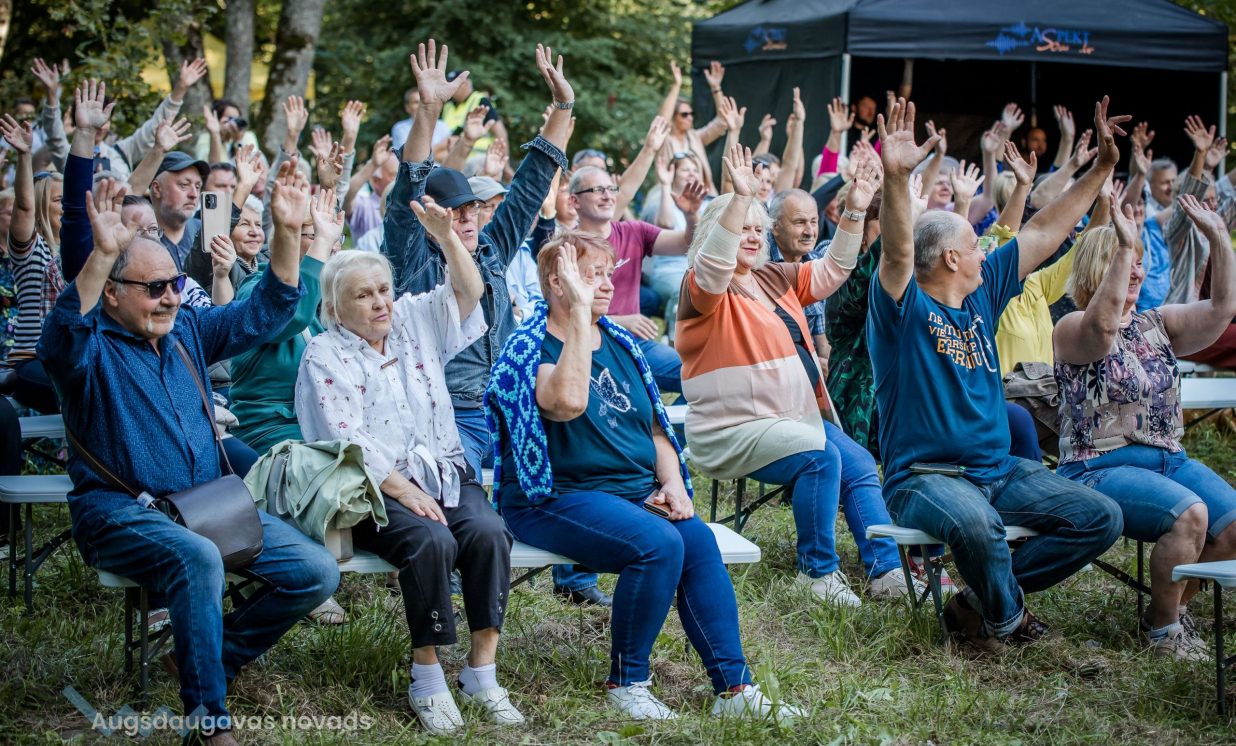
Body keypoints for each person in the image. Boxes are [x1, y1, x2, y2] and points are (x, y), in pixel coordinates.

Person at [38, 157, 339, 744]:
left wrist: (285, 233)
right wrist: (100, 256)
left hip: (206, 506)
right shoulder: (88, 350)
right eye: (154, 289)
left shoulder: (187, 332)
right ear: (112, 294)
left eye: (176, 284)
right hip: (119, 513)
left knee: (316, 572)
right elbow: (57, 340)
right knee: (198, 559)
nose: (171, 298)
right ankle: (208, 720)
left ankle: (208, 658)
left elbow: (267, 311)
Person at [487, 231, 803, 724]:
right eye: (591, 275)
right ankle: (627, 682)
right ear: (558, 282)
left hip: (633, 491)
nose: (606, 284)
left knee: (697, 542)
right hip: (553, 497)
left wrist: (672, 481)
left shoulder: (621, 345)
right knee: (658, 544)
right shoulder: (528, 347)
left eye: (607, 274)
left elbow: (656, 429)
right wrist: (576, 315)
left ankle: (734, 689)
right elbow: (566, 402)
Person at [867, 96, 1125, 651]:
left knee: (1101, 517)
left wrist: (1102, 168)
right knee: (979, 524)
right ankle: (1009, 625)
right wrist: (896, 178)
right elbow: (896, 254)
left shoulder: (982, 295)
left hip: (999, 471)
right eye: (974, 244)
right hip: (924, 478)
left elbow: (1045, 230)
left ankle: (975, 604)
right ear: (949, 258)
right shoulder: (902, 310)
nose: (986, 250)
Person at [296, 198, 523, 734]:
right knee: (431, 540)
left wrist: (448, 239)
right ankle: (428, 675)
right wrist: (404, 490)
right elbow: (345, 440)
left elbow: (469, 293)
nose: (380, 302)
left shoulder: (414, 319)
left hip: (442, 468)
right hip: (370, 489)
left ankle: (481, 672)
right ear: (335, 308)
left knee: (489, 532)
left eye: (383, 290)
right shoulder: (324, 355)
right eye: (363, 295)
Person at [676, 144, 916, 605]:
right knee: (819, 457)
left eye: (757, 228)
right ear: (716, 233)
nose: (751, 237)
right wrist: (741, 197)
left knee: (860, 464)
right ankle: (817, 572)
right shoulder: (701, 288)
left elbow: (833, 270)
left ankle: (886, 570)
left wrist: (854, 211)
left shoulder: (771, 276)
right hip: (734, 429)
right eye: (740, 228)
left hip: (795, 417)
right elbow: (714, 264)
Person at [381, 39, 570, 487]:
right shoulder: (412, 259)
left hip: (509, 402)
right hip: (448, 411)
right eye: (454, 211)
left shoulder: (490, 248)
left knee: (571, 477)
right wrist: (429, 109)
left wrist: (564, 106)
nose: (466, 219)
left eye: (471, 209)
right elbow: (411, 181)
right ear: (429, 216)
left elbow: (530, 186)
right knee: (456, 492)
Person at [1054, 195, 1236, 659]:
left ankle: (1164, 612)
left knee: (1234, 528)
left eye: (1138, 262)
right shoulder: (1072, 327)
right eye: (1124, 262)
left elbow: (1222, 309)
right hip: (1098, 466)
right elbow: (1102, 330)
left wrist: (1219, 237)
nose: (1135, 272)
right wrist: (1123, 246)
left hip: (1169, 460)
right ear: (1097, 269)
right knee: (1190, 515)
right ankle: (1165, 635)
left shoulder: (1157, 323)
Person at [569, 165, 704, 397]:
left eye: (611, 188)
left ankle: (666, 421)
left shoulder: (633, 231)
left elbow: (687, 243)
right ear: (575, 201)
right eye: (598, 190)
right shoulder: (566, 247)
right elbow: (562, 315)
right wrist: (618, 322)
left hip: (636, 345)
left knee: (701, 375)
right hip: (589, 347)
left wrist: (690, 216)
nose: (608, 195)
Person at [0, 111, 65, 414]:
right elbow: (24, 207)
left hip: (69, 358)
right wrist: (24, 155)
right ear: (42, 205)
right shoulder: (31, 248)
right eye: (59, 201)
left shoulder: (79, 250)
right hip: (32, 361)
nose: (67, 207)